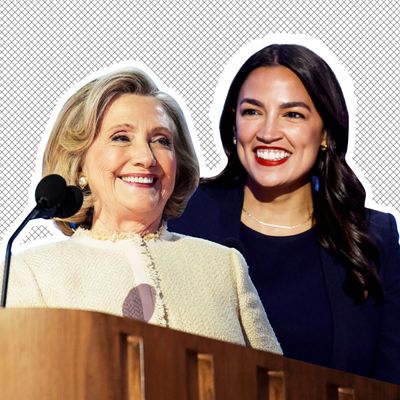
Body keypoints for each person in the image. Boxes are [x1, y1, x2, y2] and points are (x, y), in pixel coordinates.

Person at [4, 67, 282, 354]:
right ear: (79, 163)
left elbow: (278, 383)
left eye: (161, 141)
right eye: (121, 138)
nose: (146, 158)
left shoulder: (225, 268)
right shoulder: (32, 273)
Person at [169, 43, 400, 383]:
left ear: (325, 134)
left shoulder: (373, 236)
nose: (268, 133)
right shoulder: (184, 214)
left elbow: (391, 377)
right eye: (252, 112)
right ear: (234, 124)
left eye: (293, 114)